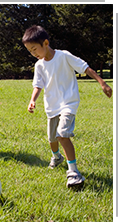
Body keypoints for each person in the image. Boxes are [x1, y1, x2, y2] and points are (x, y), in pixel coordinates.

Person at [22, 25, 112, 188]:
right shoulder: (39, 65)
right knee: (52, 139)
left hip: (68, 103)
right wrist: (32, 100)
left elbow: (85, 68)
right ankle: (56, 157)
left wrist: (103, 83)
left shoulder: (63, 56)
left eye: (34, 49)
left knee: (62, 135)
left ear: (46, 43)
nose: (33, 53)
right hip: (52, 106)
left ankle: (73, 172)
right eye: (30, 51)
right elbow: (38, 84)